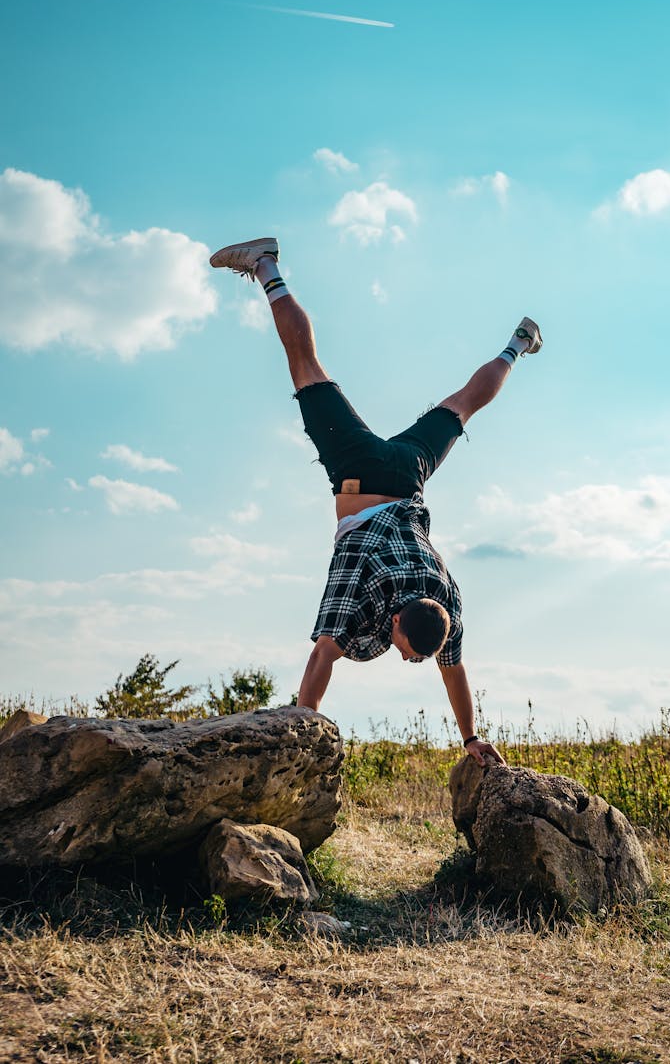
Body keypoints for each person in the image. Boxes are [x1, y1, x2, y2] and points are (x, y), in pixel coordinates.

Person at [210, 237, 542, 764]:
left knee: (462, 406)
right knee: (305, 366)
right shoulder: (363, 577)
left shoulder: (445, 602)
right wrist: (302, 730)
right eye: (409, 656)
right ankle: (265, 264)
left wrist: (471, 738)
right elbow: (323, 656)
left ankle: (519, 343)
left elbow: (452, 669)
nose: (409, 661)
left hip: (408, 476)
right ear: (393, 623)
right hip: (360, 472)